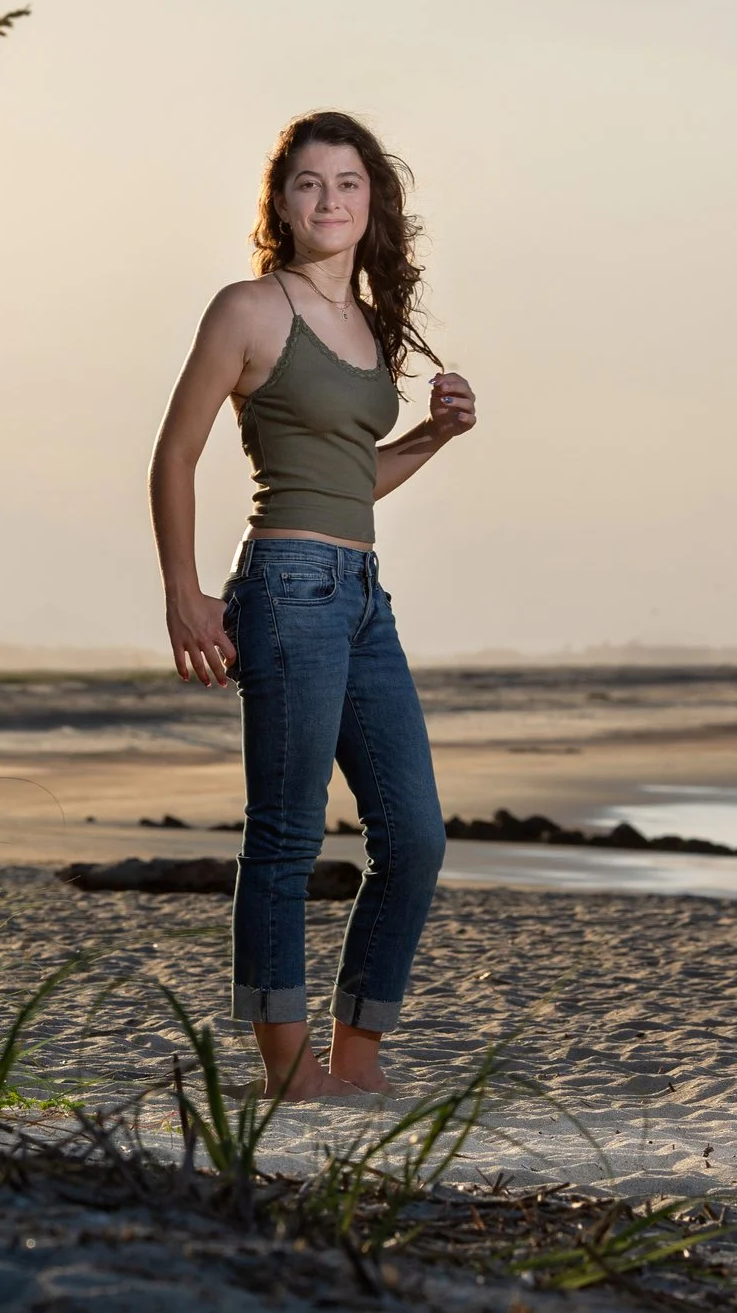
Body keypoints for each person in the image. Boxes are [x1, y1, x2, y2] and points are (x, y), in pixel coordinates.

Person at [148, 110, 477, 1100]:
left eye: (346, 183)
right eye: (307, 183)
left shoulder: (372, 328)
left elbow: (347, 480)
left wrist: (431, 437)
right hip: (287, 586)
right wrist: (182, 593)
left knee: (414, 835)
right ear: (280, 204)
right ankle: (287, 1072)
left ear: (371, 201)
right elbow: (175, 451)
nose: (328, 200)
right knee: (285, 835)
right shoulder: (248, 309)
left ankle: (357, 1062)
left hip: (362, 595)